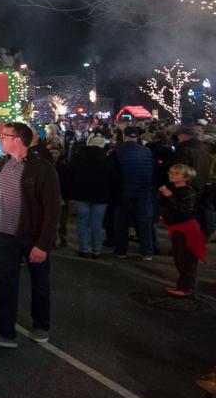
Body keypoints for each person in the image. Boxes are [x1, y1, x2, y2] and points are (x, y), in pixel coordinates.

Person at [0, 122, 61, 348]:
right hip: (5, 237)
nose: (0, 138)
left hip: (32, 238)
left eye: (4, 135)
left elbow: (52, 209)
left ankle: (41, 325)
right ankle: (5, 333)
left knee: (39, 283)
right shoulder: (1, 163)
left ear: (17, 140)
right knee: (6, 284)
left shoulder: (42, 169)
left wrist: (43, 244)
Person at [158, 164, 207, 296]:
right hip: (177, 227)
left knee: (186, 260)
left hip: (186, 229)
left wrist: (169, 196)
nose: (172, 175)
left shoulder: (188, 191)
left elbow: (184, 210)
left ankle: (186, 288)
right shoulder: (174, 188)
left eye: (176, 173)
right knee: (179, 258)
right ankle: (182, 286)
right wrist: (164, 195)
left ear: (186, 177)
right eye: (171, 172)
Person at [110, 125, 155, 260]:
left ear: (124, 136)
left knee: (122, 223)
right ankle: (147, 252)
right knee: (144, 223)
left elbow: (113, 174)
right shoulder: (146, 151)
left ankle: (121, 251)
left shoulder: (117, 151)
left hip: (124, 190)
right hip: (143, 190)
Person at [67, 134, 113, 258]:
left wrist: (70, 193)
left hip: (82, 193)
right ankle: (96, 250)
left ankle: (83, 248)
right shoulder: (106, 158)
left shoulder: (78, 156)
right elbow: (112, 178)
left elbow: (70, 174)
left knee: (82, 221)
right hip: (101, 195)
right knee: (97, 223)